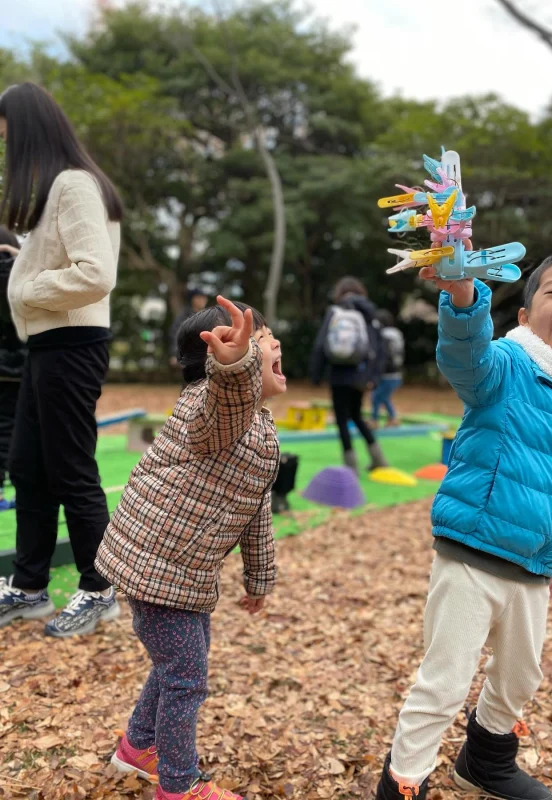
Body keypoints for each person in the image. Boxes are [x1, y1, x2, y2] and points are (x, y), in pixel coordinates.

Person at [376, 250, 552, 800]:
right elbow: (466, 358)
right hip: (474, 556)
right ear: (526, 317)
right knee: (444, 683)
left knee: (520, 677)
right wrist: (463, 298)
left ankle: (485, 760)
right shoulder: (506, 364)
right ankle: (402, 783)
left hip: (532, 567)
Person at [95, 296, 286, 800]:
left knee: (180, 662)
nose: (274, 343)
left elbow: (256, 512)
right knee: (186, 675)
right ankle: (178, 787)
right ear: (220, 359)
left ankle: (137, 748)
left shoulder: (262, 432)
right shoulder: (210, 410)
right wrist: (233, 365)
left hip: (184, 573)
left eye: (262, 337)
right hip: (156, 565)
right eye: (262, 338)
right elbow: (227, 401)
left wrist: (259, 579)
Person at [0, 82, 122, 636]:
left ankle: (101, 589)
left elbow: (95, 273)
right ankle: (29, 588)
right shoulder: (61, 189)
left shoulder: (73, 185)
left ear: (28, 133)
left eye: (7, 137)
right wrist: (22, 260)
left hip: (71, 344)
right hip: (49, 345)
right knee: (28, 466)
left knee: (72, 470)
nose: (7, 150)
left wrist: (25, 287)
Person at [310, 276, 388, 473]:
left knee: (341, 418)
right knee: (357, 415)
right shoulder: (369, 312)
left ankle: (350, 466)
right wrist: (374, 377)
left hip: (338, 373)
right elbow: (379, 347)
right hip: (361, 374)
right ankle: (378, 457)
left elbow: (320, 344)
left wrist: (316, 374)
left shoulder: (336, 311)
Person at [0, 227, 26, 509]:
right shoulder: (22, 274)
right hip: (18, 366)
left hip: (10, 366)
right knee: (15, 428)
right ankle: (23, 490)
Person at [371, 309, 405, 428]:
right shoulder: (397, 334)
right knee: (383, 397)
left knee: (376, 396)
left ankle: (374, 420)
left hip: (387, 373)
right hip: (397, 372)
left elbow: (382, 356)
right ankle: (392, 418)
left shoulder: (383, 335)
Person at [169, 288, 209, 369]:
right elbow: (176, 335)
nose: (202, 300)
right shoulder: (184, 317)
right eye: (198, 297)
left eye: (203, 297)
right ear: (192, 299)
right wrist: (175, 354)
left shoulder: (210, 315)